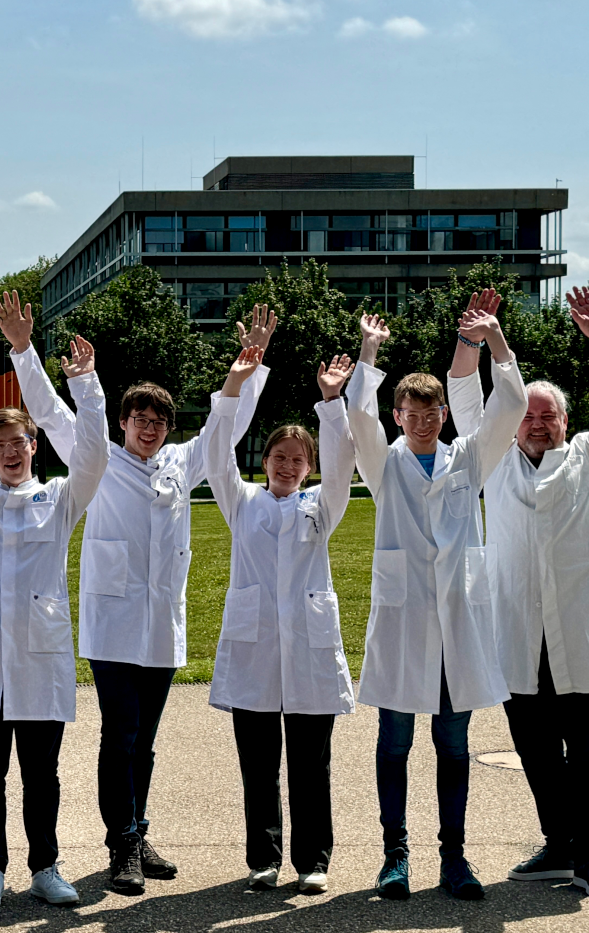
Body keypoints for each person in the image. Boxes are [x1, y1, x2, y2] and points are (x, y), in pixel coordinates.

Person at [1, 294, 270, 895]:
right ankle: (120, 842)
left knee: (144, 743)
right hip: (113, 621)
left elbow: (229, 425)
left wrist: (250, 367)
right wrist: (24, 349)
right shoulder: (97, 460)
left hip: (161, 625)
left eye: (158, 421)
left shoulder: (182, 462)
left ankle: (137, 829)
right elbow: (47, 413)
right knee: (120, 733)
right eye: (139, 419)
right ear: (122, 422)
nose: (149, 429)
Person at [447, 286, 589, 901]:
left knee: (588, 751)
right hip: (517, 634)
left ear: (564, 419)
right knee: (535, 750)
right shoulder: (493, 459)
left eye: (545, 414)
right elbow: (465, 398)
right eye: (526, 413)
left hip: (579, 632)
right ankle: (560, 845)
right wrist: (471, 340)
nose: (534, 421)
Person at [345, 291, 526, 901]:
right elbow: (358, 419)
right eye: (410, 414)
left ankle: (455, 857)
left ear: (445, 415)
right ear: (398, 416)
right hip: (402, 625)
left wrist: (494, 339)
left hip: (457, 628)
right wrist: (370, 351)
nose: (421, 423)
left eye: (431, 414)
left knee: (453, 745)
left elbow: (513, 404)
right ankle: (395, 856)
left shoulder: (469, 461)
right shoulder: (384, 464)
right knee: (393, 743)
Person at [0, 335, 109, 910]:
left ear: (35, 446)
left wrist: (85, 385)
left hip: (40, 657)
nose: (9, 453)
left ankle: (45, 866)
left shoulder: (61, 498)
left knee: (42, 773)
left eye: (18, 442)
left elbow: (94, 455)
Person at [204, 344, 357, 895]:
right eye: (279, 456)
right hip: (256, 651)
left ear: (309, 467)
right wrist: (232, 386)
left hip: (309, 650)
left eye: (299, 459)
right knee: (259, 765)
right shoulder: (240, 501)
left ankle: (313, 860)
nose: (288, 465)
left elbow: (344, 464)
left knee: (312, 767)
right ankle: (263, 859)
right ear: (264, 460)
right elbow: (216, 451)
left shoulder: (322, 506)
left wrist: (332, 402)